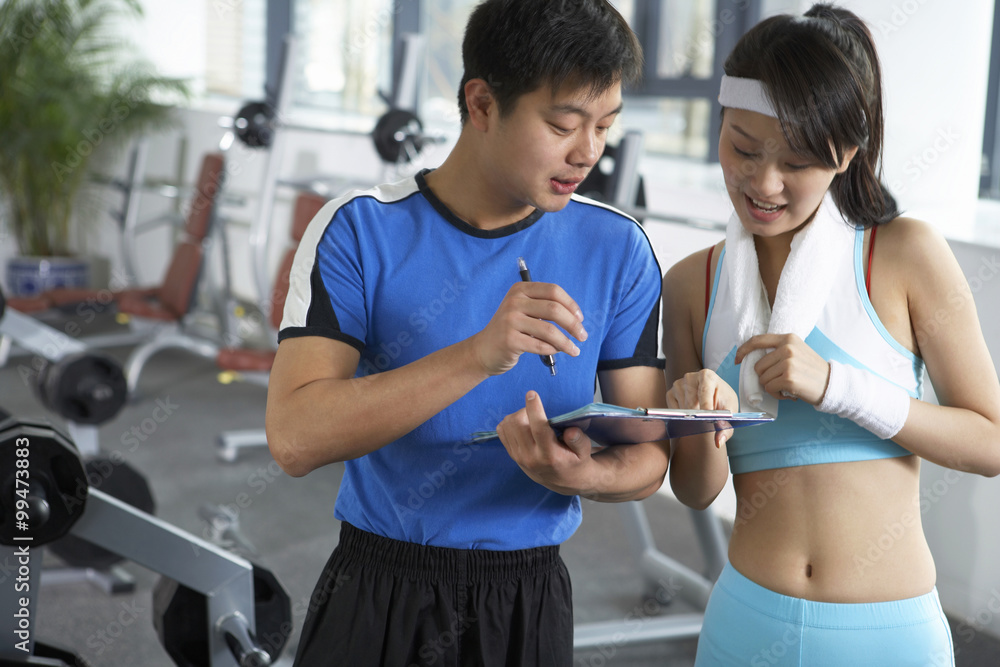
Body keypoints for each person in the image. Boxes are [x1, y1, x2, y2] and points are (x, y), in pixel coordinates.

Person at [265, 1, 669, 664]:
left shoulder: (619, 249)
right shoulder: (360, 230)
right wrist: (480, 354)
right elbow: (294, 438)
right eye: (564, 123)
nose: (588, 151)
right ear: (481, 104)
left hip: (529, 596)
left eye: (605, 125)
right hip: (379, 585)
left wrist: (584, 476)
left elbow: (650, 458)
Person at [661, 4, 1000, 666]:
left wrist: (838, 385)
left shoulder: (904, 254)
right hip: (745, 622)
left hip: (886, 636)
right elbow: (696, 490)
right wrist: (695, 421)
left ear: (844, 153)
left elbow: (990, 442)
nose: (762, 182)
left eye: (795, 161)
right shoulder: (690, 283)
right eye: (742, 147)